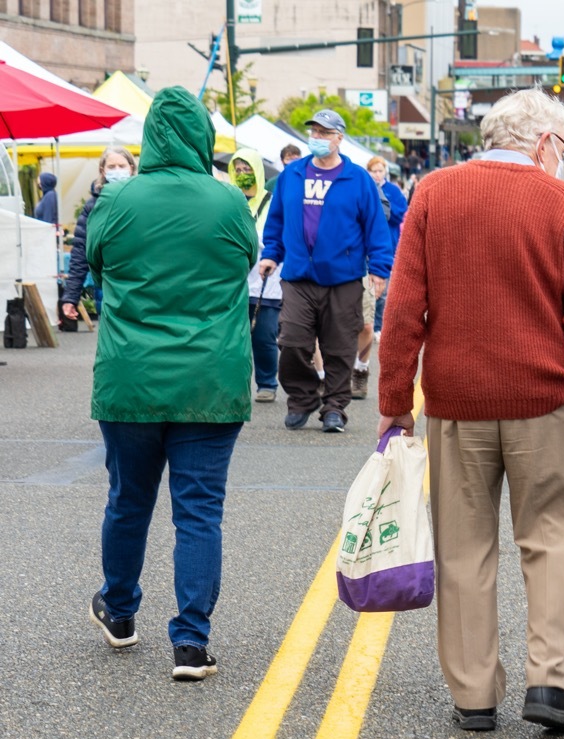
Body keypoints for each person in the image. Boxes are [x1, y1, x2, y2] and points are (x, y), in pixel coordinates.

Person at [377, 87, 564, 735]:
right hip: (550, 403)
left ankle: (475, 694)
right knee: (554, 541)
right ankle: (550, 683)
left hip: (456, 405)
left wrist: (396, 401)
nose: (563, 160)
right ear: (541, 143)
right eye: (562, 147)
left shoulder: (433, 194)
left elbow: (403, 310)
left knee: (463, 549)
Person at [84, 86, 258, 681]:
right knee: (200, 513)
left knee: (128, 500)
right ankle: (190, 642)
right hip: (211, 381)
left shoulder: (117, 197)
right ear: (203, 136)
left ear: (151, 135)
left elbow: (97, 263)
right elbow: (244, 260)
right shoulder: (229, 202)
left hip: (131, 377)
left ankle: (121, 611)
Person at [259, 109, 393, 433]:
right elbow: (276, 219)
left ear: (339, 138)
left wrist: (379, 268)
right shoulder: (292, 175)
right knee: (291, 341)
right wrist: (271, 254)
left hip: (343, 277)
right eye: (314, 132)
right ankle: (302, 398)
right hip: (299, 275)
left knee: (339, 346)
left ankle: (334, 406)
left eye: (324, 133)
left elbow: (375, 225)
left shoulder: (357, 178)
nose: (317, 138)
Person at [62, 148, 137, 323]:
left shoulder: (142, 200)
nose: (117, 170)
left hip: (139, 282)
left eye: (121, 165)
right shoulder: (95, 205)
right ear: (103, 171)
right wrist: (71, 295)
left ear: (131, 168)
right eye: (112, 166)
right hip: (107, 284)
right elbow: (81, 249)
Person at [230, 148, 280, 403]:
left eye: (247, 169)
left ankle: (267, 382)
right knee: (234, 339)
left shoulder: (272, 201)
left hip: (265, 282)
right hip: (234, 284)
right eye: (237, 170)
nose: (242, 174)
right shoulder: (230, 200)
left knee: (264, 336)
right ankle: (236, 384)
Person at [367, 156, 408, 355]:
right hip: (365, 246)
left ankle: (377, 325)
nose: (377, 174)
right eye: (373, 170)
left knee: (382, 292)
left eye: (380, 171)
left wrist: (385, 209)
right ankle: (366, 323)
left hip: (388, 243)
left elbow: (401, 212)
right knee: (365, 289)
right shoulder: (365, 187)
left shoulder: (393, 190)